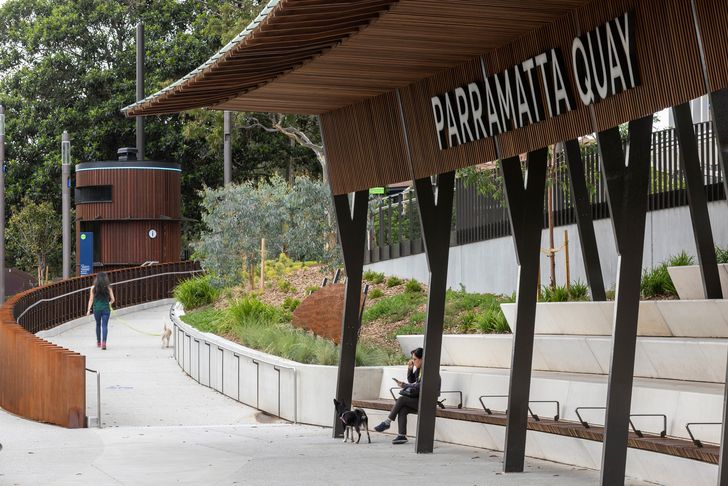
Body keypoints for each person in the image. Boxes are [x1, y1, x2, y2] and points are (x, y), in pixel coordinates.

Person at [374, 347, 437, 444]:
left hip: (427, 401)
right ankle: (401, 436)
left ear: (422, 359)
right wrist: (410, 369)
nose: (413, 361)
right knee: (403, 409)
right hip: (420, 399)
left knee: (402, 399)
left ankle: (387, 422)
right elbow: (412, 381)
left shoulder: (429, 371)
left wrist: (404, 385)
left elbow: (420, 386)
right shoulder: (421, 369)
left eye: (415, 359)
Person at [86, 272, 115, 350]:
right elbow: (113, 299)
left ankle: (98, 342)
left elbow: (91, 299)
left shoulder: (93, 288)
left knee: (98, 325)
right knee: (104, 325)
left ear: (97, 279)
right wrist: (109, 303)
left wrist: (88, 310)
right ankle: (104, 343)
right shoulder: (108, 287)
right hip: (106, 309)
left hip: (97, 309)